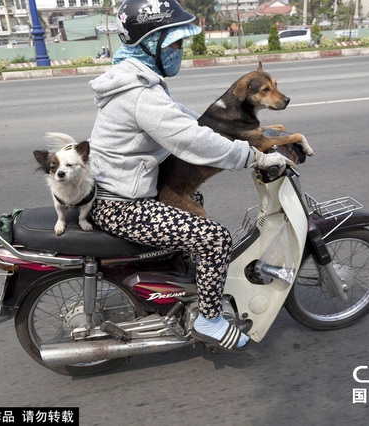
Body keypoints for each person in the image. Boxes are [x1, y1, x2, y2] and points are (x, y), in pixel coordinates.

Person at [88, 0, 294, 351]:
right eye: (174, 43)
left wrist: (252, 137)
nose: (179, 51)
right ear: (151, 43)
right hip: (123, 206)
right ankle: (209, 320)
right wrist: (254, 157)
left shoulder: (138, 82)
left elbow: (191, 122)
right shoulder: (140, 94)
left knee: (193, 199)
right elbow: (191, 139)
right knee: (215, 239)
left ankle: (184, 288)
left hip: (121, 193)